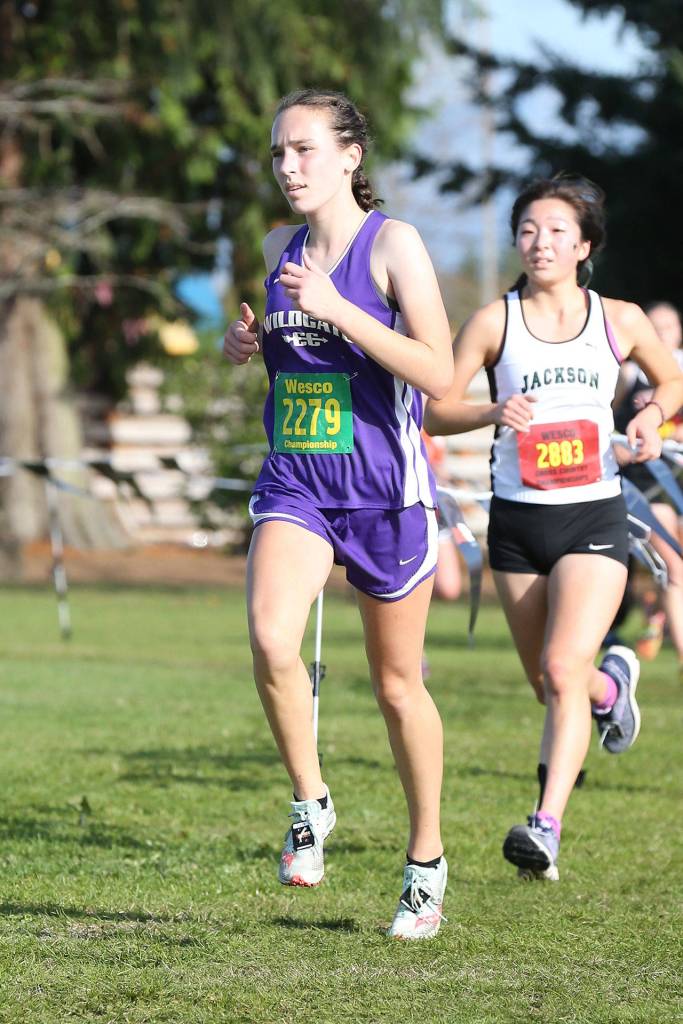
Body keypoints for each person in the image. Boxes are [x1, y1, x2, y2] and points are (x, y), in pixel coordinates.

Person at [222, 89, 453, 937]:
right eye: (279, 152)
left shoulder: (394, 245)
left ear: (350, 155)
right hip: (298, 485)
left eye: (305, 150)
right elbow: (300, 376)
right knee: (271, 637)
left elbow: (439, 375)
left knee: (398, 688)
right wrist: (244, 349)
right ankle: (310, 800)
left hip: (386, 498)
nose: (287, 166)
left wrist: (339, 308)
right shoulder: (277, 250)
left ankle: (424, 860)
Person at [424, 173, 683, 881]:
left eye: (558, 231)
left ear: (585, 245)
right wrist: (488, 412)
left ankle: (544, 828)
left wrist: (648, 417)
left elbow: (671, 382)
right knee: (551, 684)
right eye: (529, 230)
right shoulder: (491, 321)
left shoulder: (618, 319)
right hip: (514, 525)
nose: (540, 242)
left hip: (594, 516)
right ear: (517, 240)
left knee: (561, 666)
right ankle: (613, 685)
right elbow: (433, 408)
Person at [613, 302, 683, 668]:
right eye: (654, 328)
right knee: (665, 566)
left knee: (671, 565)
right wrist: (618, 444)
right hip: (634, 485)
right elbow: (600, 419)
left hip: (673, 484)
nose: (661, 335)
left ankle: (658, 619)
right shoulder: (629, 373)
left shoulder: (679, 375)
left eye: (668, 327)